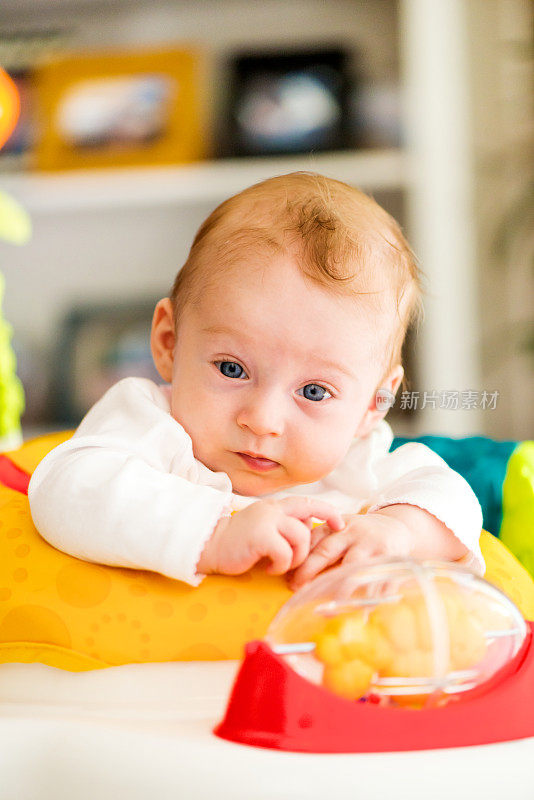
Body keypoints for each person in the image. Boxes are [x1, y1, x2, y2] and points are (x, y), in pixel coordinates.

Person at [28, 172, 483, 590]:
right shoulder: (147, 422)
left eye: (314, 392)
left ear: (372, 404)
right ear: (169, 343)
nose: (263, 420)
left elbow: (452, 501)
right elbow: (66, 490)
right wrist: (213, 533)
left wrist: (398, 530)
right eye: (232, 369)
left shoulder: (363, 462)